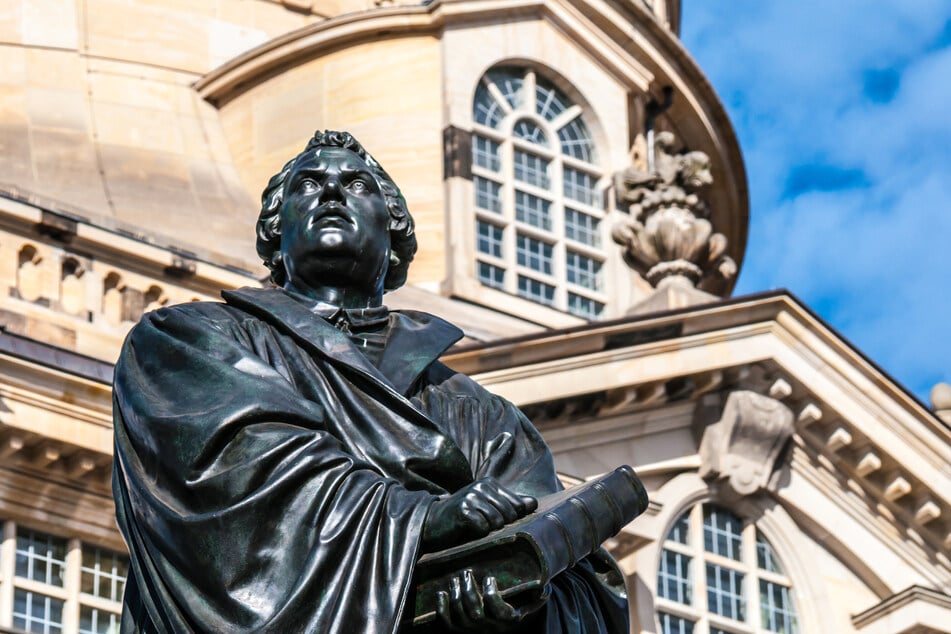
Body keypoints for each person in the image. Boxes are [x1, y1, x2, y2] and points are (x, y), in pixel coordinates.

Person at [112, 130, 629, 633]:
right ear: (276, 231)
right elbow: (249, 475)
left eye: (359, 186)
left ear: (395, 232)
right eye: (308, 185)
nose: (333, 191)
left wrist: (522, 606)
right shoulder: (183, 339)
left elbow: (581, 587)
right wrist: (422, 520)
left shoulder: (483, 415)